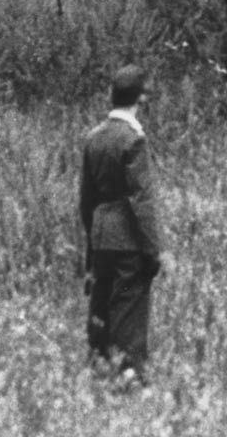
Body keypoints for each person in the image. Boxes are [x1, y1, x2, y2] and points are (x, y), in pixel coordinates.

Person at [80, 65, 163, 389]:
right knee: (129, 304)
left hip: (101, 236)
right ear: (141, 97)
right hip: (129, 238)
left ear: (110, 95)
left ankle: (99, 369)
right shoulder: (134, 139)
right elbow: (142, 200)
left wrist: (91, 244)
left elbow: (85, 200)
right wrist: (151, 249)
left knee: (101, 301)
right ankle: (129, 377)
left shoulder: (94, 138)